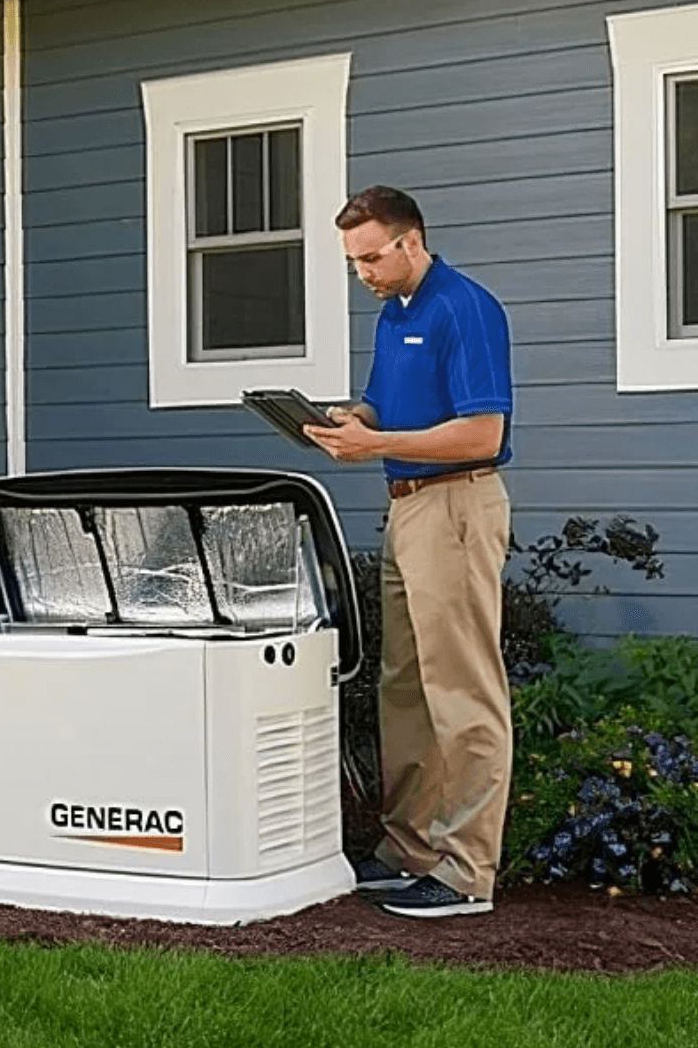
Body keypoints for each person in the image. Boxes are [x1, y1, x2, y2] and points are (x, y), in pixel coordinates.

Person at [303, 185, 513, 919]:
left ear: (410, 241)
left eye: (369, 258)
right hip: (407, 510)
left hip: (457, 502)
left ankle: (463, 874)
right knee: (406, 688)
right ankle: (410, 851)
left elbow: (483, 433)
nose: (361, 272)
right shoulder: (395, 316)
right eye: (352, 262)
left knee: (461, 691)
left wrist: (377, 443)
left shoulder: (465, 307)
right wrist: (350, 420)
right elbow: (385, 406)